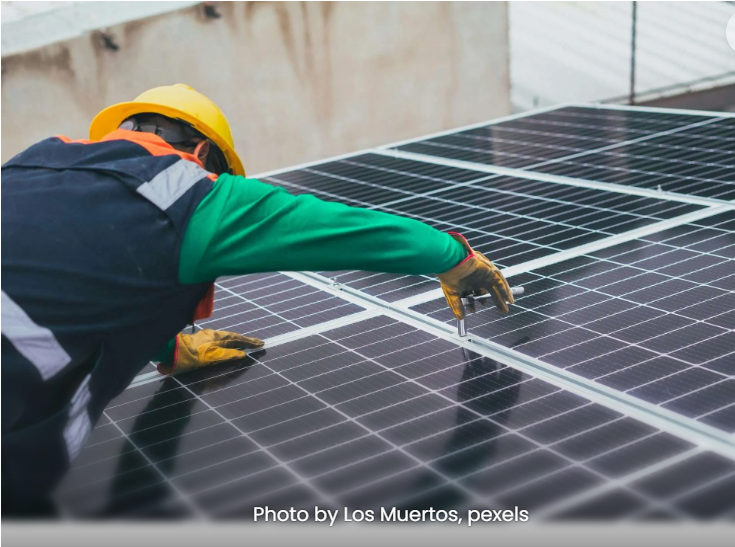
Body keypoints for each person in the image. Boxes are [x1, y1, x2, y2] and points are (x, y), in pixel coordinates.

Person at [1, 84, 514, 515]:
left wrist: (169, 348)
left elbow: (77, 268)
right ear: (205, 154)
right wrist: (455, 259)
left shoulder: (27, 165)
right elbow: (347, 229)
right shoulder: (192, 192)